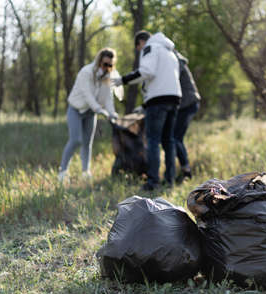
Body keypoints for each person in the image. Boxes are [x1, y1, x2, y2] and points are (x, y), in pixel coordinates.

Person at [112, 31, 181, 191]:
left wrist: (123, 80)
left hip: (157, 101)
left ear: (141, 42)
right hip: (175, 98)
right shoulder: (170, 51)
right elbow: (161, 78)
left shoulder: (150, 47)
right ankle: (169, 180)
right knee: (168, 141)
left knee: (152, 140)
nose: (139, 51)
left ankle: (153, 181)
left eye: (138, 47)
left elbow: (147, 72)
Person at [58, 48, 123, 182]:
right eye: (105, 64)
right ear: (99, 61)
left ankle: (85, 172)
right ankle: (63, 171)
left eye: (110, 65)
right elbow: (87, 95)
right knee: (76, 140)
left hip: (91, 113)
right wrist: (99, 109)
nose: (107, 68)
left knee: (88, 143)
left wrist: (111, 113)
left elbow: (108, 99)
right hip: (76, 109)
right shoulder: (86, 72)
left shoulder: (108, 77)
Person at [173, 51, 200, 182]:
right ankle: (184, 171)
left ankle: (186, 172)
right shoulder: (178, 61)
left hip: (188, 104)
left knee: (175, 138)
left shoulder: (177, 63)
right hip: (186, 104)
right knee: (176, 138)